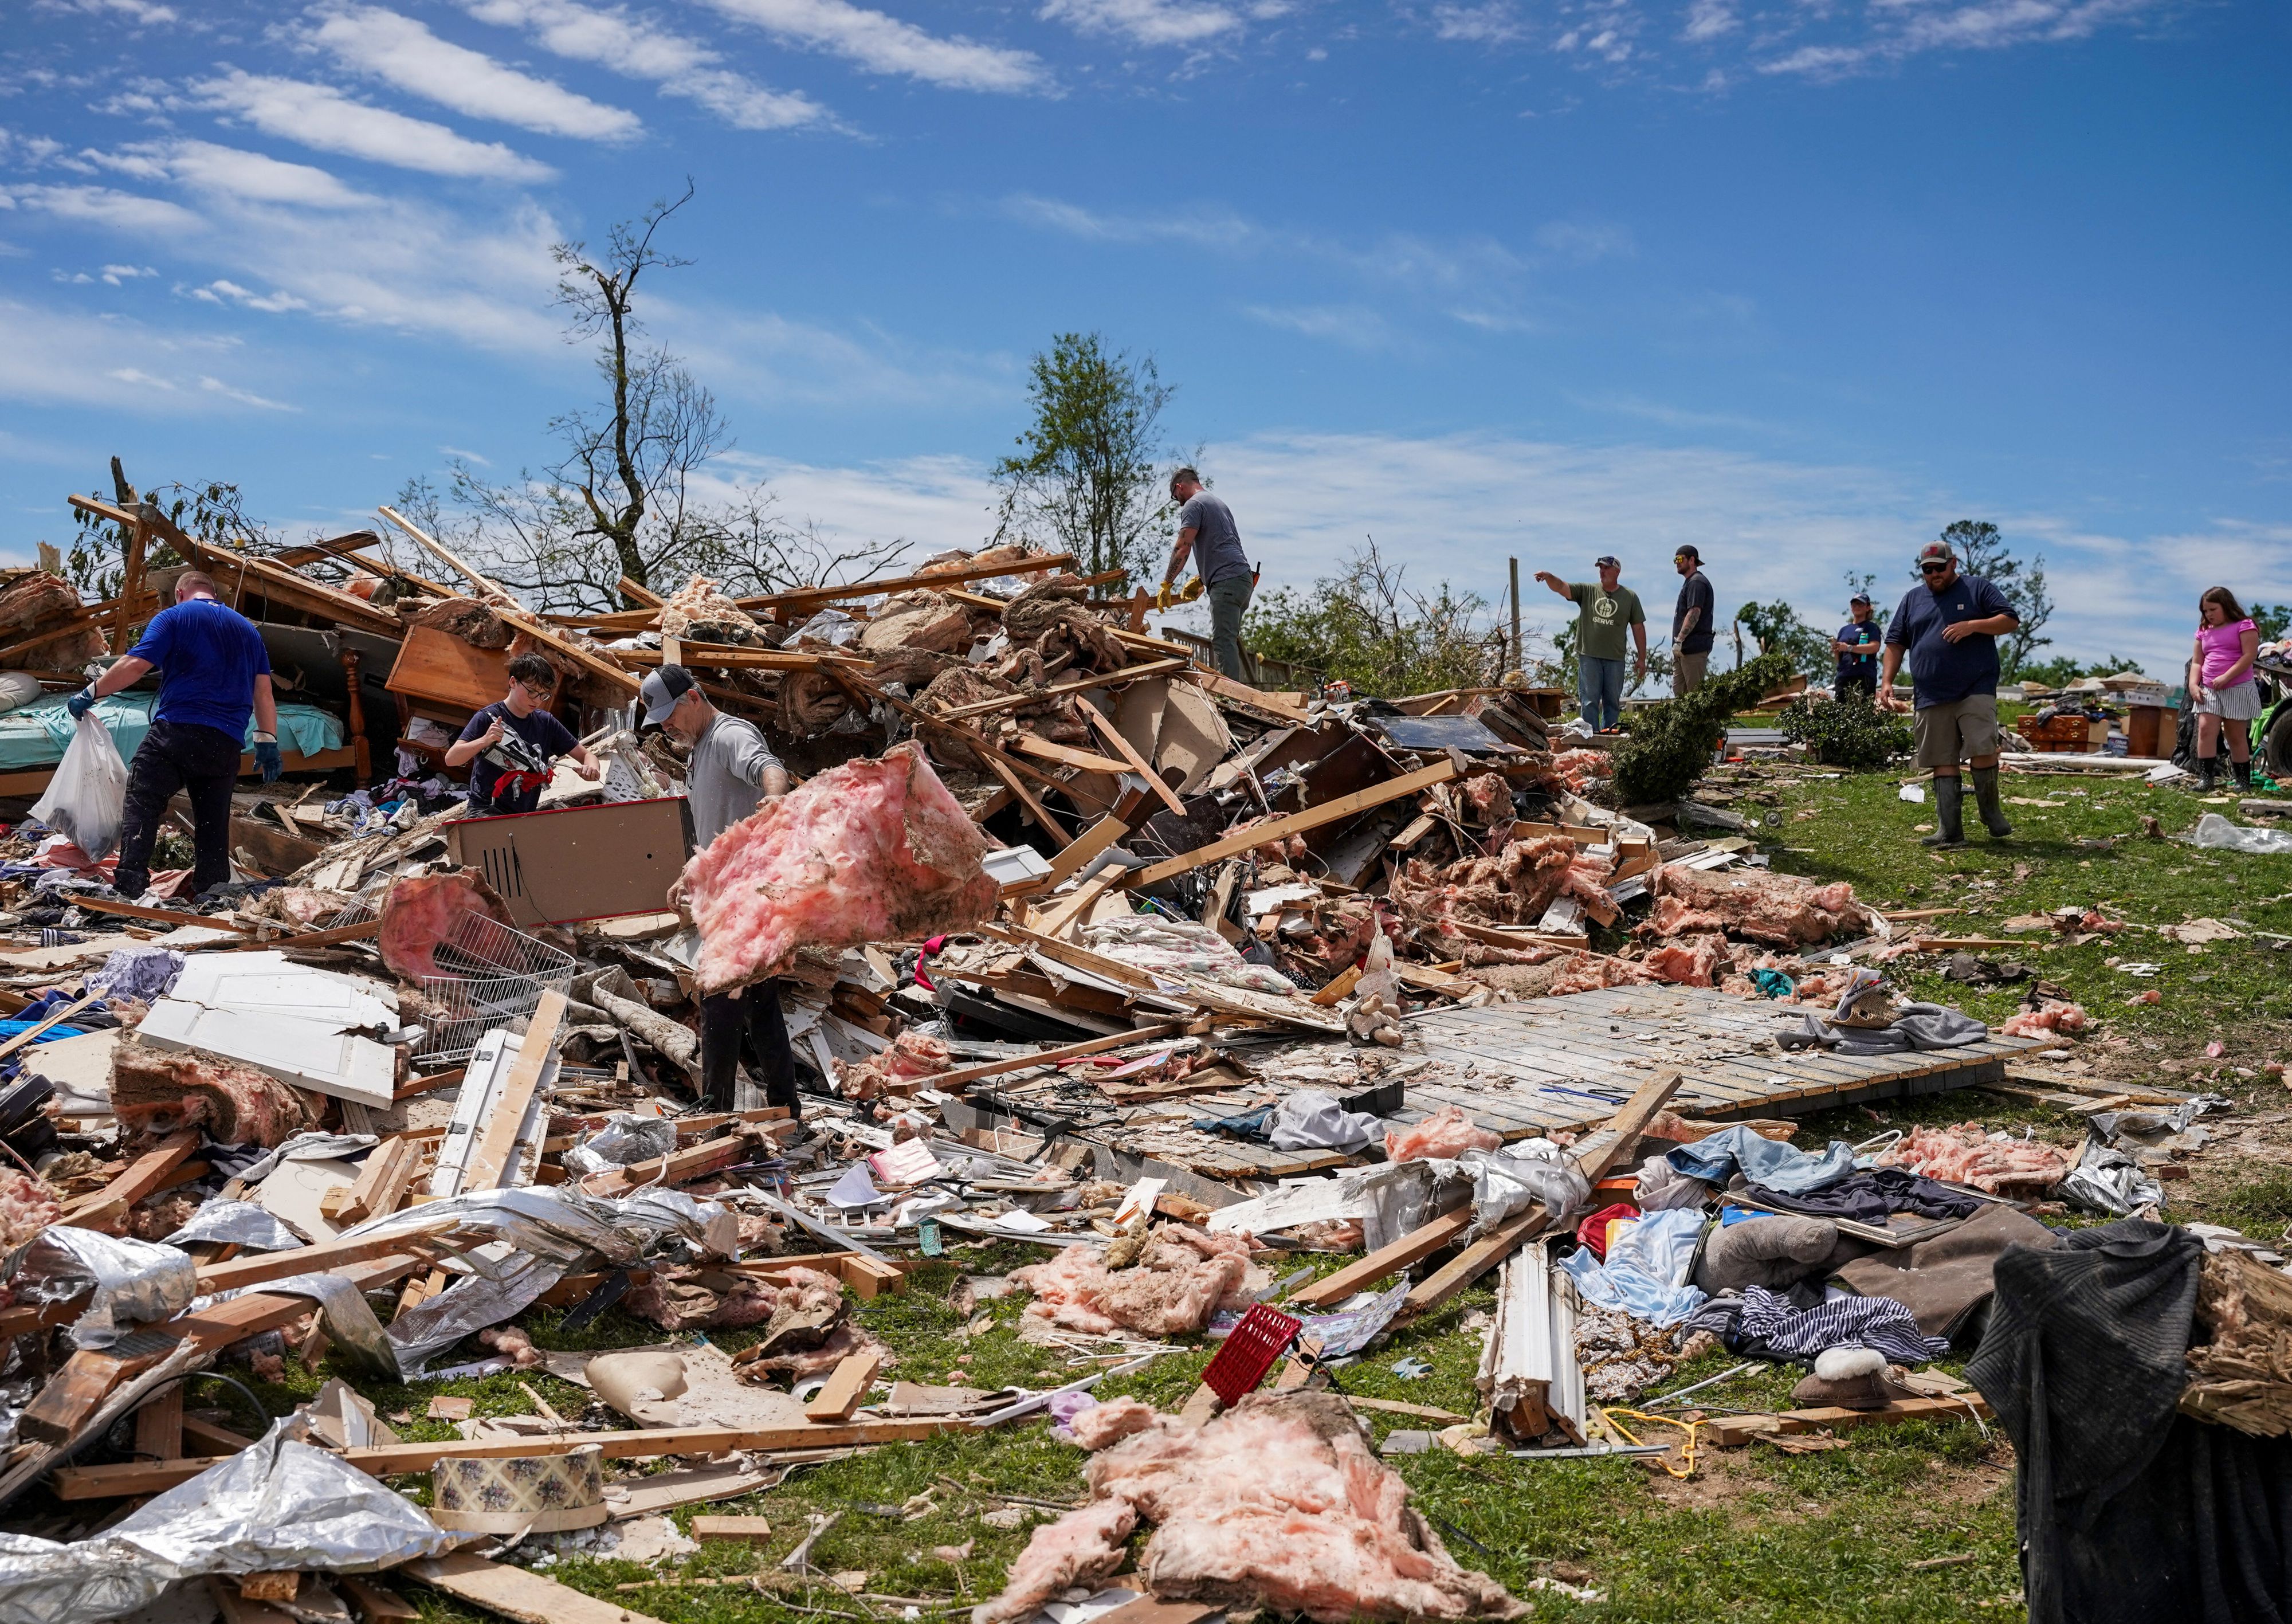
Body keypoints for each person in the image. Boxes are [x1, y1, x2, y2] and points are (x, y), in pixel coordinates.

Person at [643, 663, 800, 1117]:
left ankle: (715, 1115)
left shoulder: (730, 736)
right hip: (729, 896)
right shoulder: (699, 750)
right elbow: (718, 832)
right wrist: (690, 873)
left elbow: (768, 768)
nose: (667, 726)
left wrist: (775, 797)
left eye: (670, 715)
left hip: (748, 899)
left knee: (720, 1001)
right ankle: (787, 1111)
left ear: (694, 697)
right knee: (761, 1008)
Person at [68, 571, 278, 900]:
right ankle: (212, 891)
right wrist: (267, 741)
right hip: (226, 742)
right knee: (212, 820)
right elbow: (263, 693)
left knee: (143, 798)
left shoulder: (174, 616)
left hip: (177, 731)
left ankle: (130, 884)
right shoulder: (248, 631)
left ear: (180, 593)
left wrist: (91, 692)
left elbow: (136, 664)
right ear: (212, 594)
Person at [1879, 540, 2020, 846]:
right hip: (1930, 693)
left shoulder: (1978, 589)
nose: (1933, 575)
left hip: (1975, 687)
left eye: (1939, 568)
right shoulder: (1912, 600)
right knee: (1942, 757)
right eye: (1927, 571)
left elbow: (2009, 620)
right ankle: (1951, 831)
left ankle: (1991, 814)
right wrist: (1886, 681)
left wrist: (1972, 626)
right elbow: (1895, 643)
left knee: (1982, 746)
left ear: (1953, 564)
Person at [444, 653, 601, 814]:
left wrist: (592, 769)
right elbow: (451, 759)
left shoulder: (546, 723)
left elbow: (587, 756)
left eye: (543, 695)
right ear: (513, 682)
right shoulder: (487, 718)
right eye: (532, 692)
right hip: (485, 811)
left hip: (523, 815)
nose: (537, 700)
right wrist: (484, 741)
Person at [1159, 468, 1254, 681]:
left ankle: (1231, 698)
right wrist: (1202, 580)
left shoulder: (1194, 504)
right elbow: (1224, 546)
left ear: (1179, 486)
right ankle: (1235, 692)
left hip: (1228, 581)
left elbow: (1183, 547)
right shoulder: (1218, 504)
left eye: (1176, 498)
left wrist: (1167, 584)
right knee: (1229, 639)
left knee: (1223, 641)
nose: (1179, 503)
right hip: (1242, 578)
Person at [1536, 555, 1646, 731]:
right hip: (1589, 656)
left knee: (1612, 703)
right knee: (1589, 701)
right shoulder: (1588, 591)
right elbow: (1562, 587)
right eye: (1600, 568)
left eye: (1606, 568)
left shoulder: (1630, 597)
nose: (1602, 572)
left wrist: (1642, 658)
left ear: (1617, 571)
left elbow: (1638, 627)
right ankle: (1590, 739)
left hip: (1615, 659)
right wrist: (1549, 577)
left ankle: (1609, 739)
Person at [2188, 587, 2262, 790]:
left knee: (2235, 735)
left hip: (2237, 687)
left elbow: (2249, 656)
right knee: (2205, 729)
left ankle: (2243, 782)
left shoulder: (2244, 626)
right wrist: (2193, 685)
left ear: (2226, 605)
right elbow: (2197, 662)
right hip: (2209, 689)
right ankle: (2206, 779)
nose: (2209, 615)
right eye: (2205, 611)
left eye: (2213, 609)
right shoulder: (2203, 632)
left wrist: (2227, 676)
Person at [1671, 546, 1715, 696]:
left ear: (1692, 560)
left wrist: (1680, 640)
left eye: (1680, 559)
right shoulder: (1690, 583)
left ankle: (1703, 721)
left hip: (1694, 649)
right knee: (1680, 695)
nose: (1677, 562)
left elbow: (1694, 612)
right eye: (1675, 560)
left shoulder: (1697, 582)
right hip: (1682, 650)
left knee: (1695, 697)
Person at [1834, 594, 1882, 700]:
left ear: (1868, 607)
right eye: (1854, 604)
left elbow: (1875, 647)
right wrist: (1836, 650)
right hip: (1843, 676)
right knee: (1841, 713)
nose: (1857, 606)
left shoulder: (1871, 627)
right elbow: (1839, 659)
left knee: (1862, 712)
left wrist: (1849, 648)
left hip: (1863, 676)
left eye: (1860, 604)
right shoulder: (1844, 630)